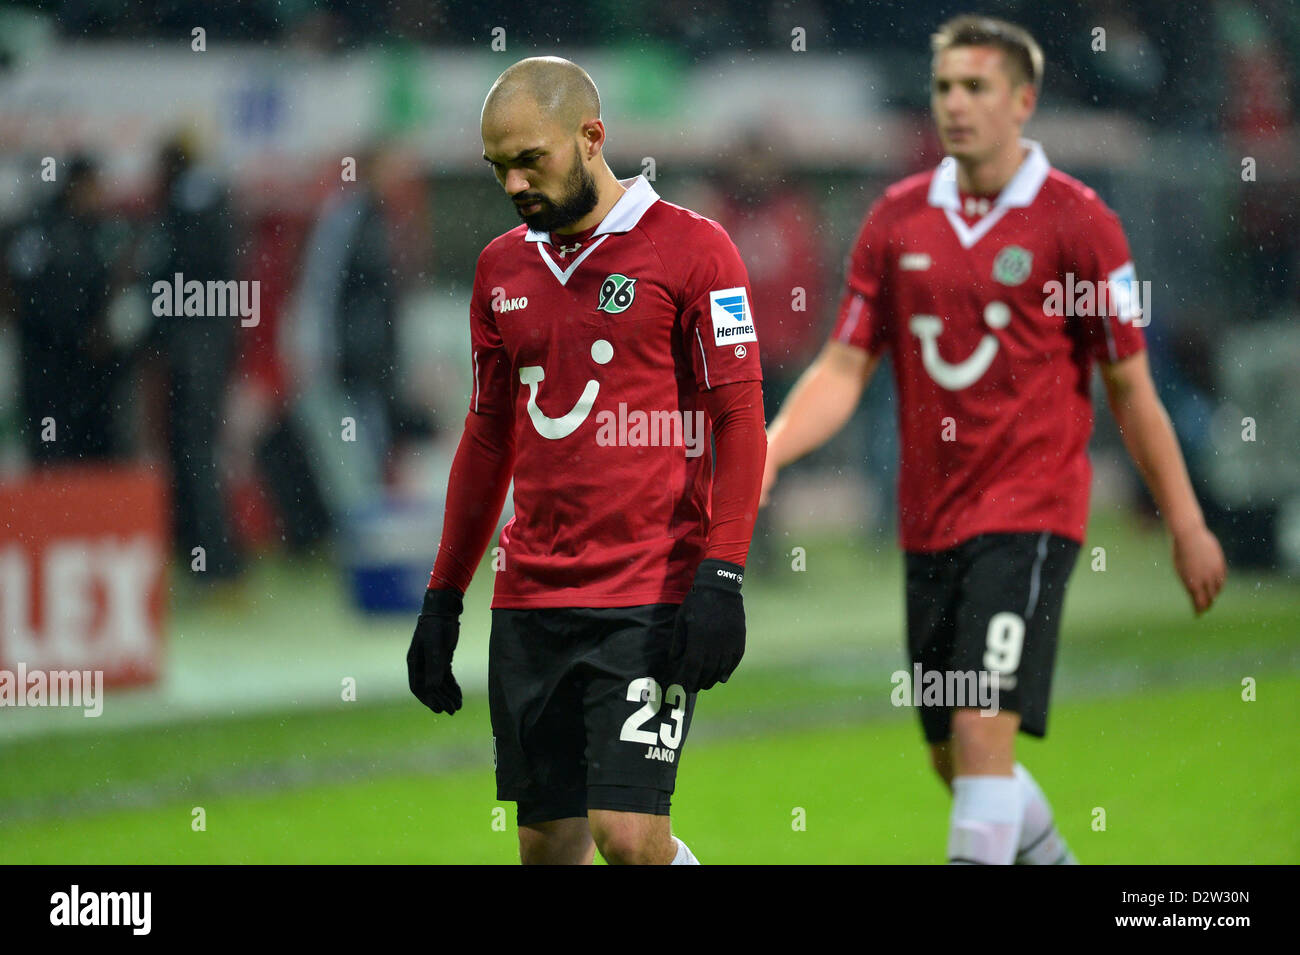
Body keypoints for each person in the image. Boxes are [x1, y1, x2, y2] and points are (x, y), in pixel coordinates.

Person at [763, 15, 1227, 865]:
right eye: (944, 87)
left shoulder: (1079, 224)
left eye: (976, 87)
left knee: (980, 736)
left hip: (1029, 514)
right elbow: (841, 366)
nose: (956, 104)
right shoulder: (897, 220)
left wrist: (1188, 520)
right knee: (957, 756)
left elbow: (1131, 388)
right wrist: (772, 446)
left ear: (1024, 100)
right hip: (930, 521)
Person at [406, 57, 766, 866]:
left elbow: (740, 419)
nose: (515, 184)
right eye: (499, 168)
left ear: (591, 137)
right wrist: (442, 596)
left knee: (631, 838)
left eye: (531, 159)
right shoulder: (500, 268)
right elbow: (487, 438)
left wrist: (724, 573)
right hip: (531, 595)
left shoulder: (694, 250)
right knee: (547, 846)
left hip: (647, 591)